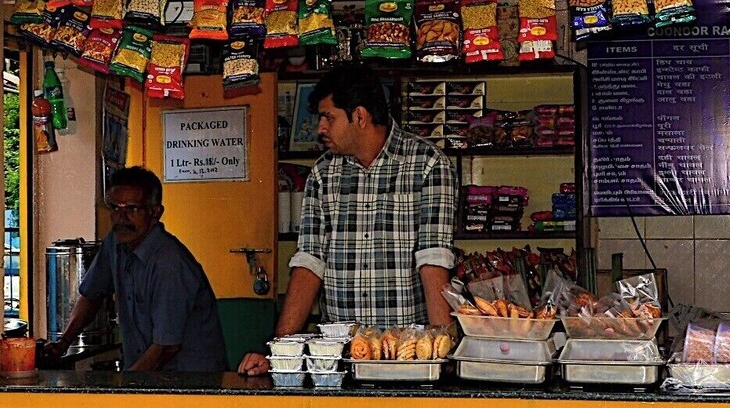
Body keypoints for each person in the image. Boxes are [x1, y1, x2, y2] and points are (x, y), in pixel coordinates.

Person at [237, 67, 458, 375]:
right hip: (341, 359)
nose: (319, 128)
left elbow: (434, 261)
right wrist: (280, 352)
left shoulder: (428, 165)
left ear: (359, 116)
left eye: (328, 117)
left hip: (406, 356)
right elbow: (309, 263)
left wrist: (442, 356)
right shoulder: (323, 174)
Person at [43, 166, 228, 372]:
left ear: (155, 212)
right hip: (147, 377)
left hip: (192, 386)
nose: (121, 218)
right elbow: (91, 295)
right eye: (115, 208)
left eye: (131, 209)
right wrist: (63, 343)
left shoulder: (169, 264)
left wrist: (126, 389)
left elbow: (166, 347)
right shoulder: (115, 243)